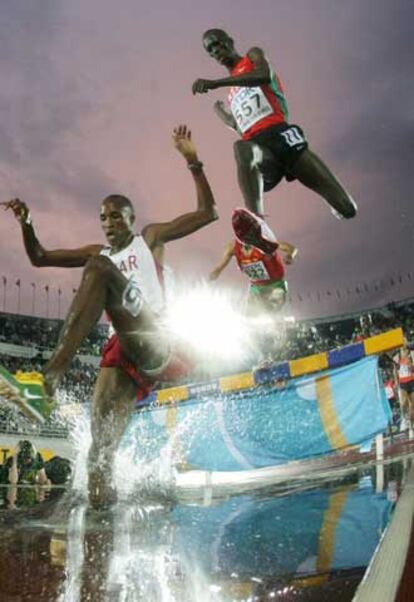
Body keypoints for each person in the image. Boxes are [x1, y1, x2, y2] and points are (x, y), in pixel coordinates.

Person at [2, 125, 218, 507]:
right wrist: (27, 223)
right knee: (99, 453)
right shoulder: (97, 252)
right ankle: (104, 511)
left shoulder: (149, 238)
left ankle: (48, 379)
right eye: (103, 217)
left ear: (132, 219)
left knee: (100, 268)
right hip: (121, 350)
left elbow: (208, 213)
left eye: (116, 216)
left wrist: (192, 160)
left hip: (154, 337)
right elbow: (40, 257)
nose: (108, 223)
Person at [192, 29, 357, 250]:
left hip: (284, 138)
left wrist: (216, 83)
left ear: (230, 42)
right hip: (262, 150)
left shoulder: (252, 56)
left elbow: (263, 75)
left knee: (348, 209)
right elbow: (241, 127)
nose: (216, 51)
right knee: (242, 148)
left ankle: (335, 202)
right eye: (211, 50)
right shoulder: (232, 93)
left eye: (218, 44)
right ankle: (257, 225)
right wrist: (223, 115)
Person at [209, 207, 297, 315]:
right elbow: (220, 266)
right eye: (247, 237)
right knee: (249, 314)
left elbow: (291, 248)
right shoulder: (232, 247)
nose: (251, 240)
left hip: (275, 285)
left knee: (274, 304)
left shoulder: (265, 242)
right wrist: (215, 272)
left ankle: (274, 315)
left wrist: (290, 256)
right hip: (256, 288)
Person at [4, 440, 51, 508]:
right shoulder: (12, 461)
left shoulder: (37, 459)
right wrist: (15, 459)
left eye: (29, 458)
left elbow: (43, 479)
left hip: (30, 490)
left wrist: (43, 493)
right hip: (16, 490)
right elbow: (13, 482)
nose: (28, 460)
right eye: (26, 458)